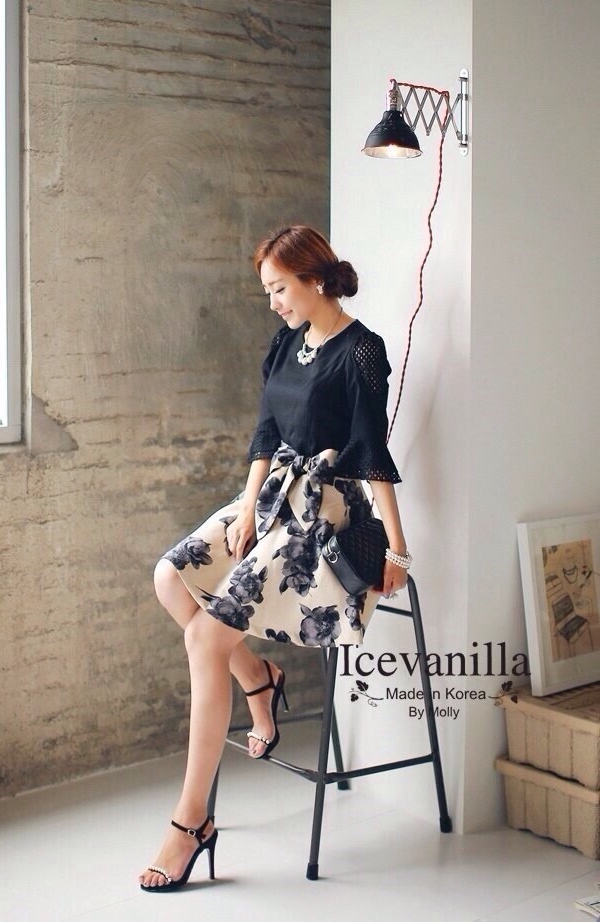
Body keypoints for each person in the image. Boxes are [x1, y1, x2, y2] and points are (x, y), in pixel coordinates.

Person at [138, 224, 411, 891]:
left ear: (314, 279)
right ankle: (259, 680)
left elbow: (372, 449)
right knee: (170, 578)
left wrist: (398, 549)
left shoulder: (362, 349)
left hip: (325, 512)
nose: (273, 303)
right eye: (268, 291)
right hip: (269, 498)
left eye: (279, 289)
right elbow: (265, 429)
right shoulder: (286, 341)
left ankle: (191, 820)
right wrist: (246, 511)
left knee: (205, 638)